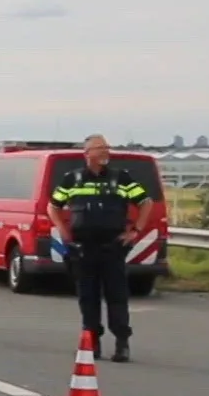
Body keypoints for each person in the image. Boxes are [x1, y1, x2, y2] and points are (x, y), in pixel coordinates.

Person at [48, 134, 152, 363]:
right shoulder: (72, 179)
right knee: (88, 297)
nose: (106, 152)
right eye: (100, 148)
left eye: (107, 148)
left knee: (117, 296)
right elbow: (53, 205)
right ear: (87, 154)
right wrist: (62, 229)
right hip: (83, 248)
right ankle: (91, 341)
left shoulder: (120, 178)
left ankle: (121, 342)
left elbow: (146, 202)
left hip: (113, 247)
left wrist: (136, 230)